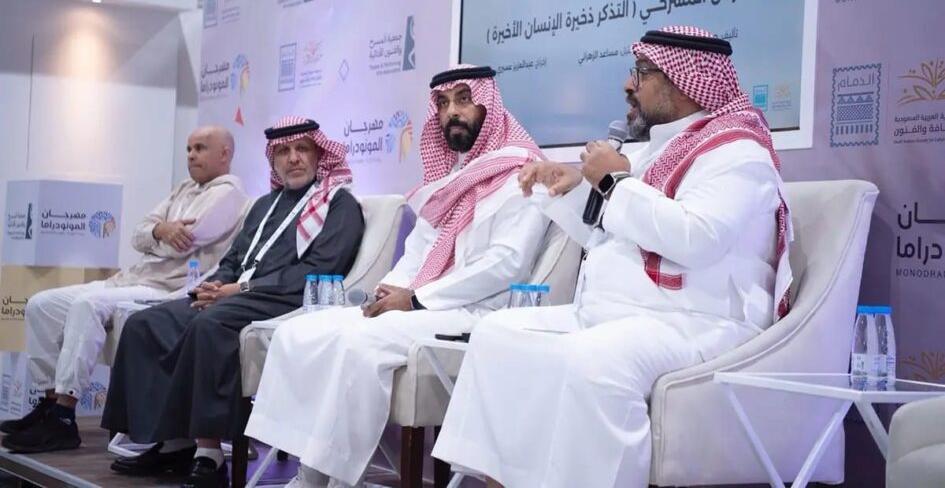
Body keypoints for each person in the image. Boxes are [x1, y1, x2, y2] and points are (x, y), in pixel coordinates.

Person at [432, 26, 794, 488]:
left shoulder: (738, 152)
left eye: (641, 73)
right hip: (624, 314)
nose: (628, 85)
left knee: (593, 360)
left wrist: (614, 182)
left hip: (699, 320)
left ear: (685, 83)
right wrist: (566, 191)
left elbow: (697, 238)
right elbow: (614, 236)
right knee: (497, 334)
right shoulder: (660, 150)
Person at [244, 65, 550, 488]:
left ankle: (333, 478)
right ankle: (310, 470)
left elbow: (505, 264)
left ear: (489, 105)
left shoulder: (524, 174)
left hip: (474, 311)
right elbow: (418, 252)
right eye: (443, 103)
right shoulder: (450, 179)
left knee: (359, 341)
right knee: (303, 331)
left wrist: (416, 299)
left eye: (464, 99)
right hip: (420, 303)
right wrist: (391, 290)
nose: (451, 112)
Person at [101, 116, 365, 488]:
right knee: (148, 323)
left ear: (319, 154)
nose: (293, 158)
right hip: (237, 294)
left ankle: (209, 456)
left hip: (287, 299)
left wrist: (240, 290)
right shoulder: (265, 205)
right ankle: (173, 444)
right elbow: (234, 258)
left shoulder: (337, 204)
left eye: (302, 149)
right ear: (273, 160)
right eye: (283, 151)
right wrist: (217, 284)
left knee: (210, 325)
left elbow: (320, 268)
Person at [1, 126, 248, 454]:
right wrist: (160, 230)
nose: (191, 155)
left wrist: (155, 236)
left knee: (88, 304)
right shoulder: (183, 188)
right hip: (130, 278)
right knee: (41, 304)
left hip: (169, 287)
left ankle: (64, 415)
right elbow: (138, 234)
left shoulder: (229, 193)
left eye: (200, 148)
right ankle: (48, 405)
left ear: (224, 154)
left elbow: (185, 242)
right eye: (189, 149)